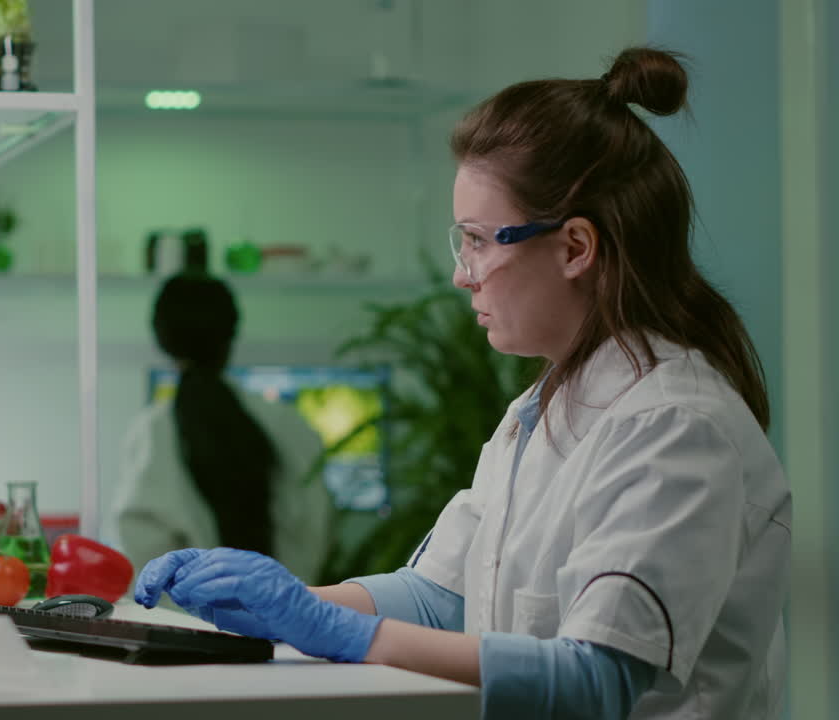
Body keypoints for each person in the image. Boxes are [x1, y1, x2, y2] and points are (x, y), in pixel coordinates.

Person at [133, 47, 791, 719]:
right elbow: (439, 598)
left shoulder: (675, 427)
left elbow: (597, 680)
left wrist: (339, 632)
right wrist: (279, 603)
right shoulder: (539, 411)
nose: (463, 272)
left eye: (479, 240)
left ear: (574, 248)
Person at [111, 271, 333, 584]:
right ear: (231, 337)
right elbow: (315, 534)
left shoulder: (150, 435)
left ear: (161, 341)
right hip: (282, 621)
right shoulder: (290, 426)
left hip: (183, 626)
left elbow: (142, 555)